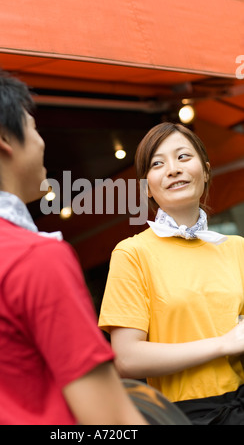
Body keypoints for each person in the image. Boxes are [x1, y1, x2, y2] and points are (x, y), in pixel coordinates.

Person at [0, 65, 146, 425]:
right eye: (34, 128)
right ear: (3, 136)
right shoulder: (35, 256)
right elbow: (111, 421)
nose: (42, 142)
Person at [99, 122, 244, 425]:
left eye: (183, 157)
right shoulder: (132, 253)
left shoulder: (237, 248)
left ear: (205, 171)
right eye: (157, 163)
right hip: (182, 417)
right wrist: (224, 343)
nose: (173, 169)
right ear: (145, 186)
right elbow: (126, 359)